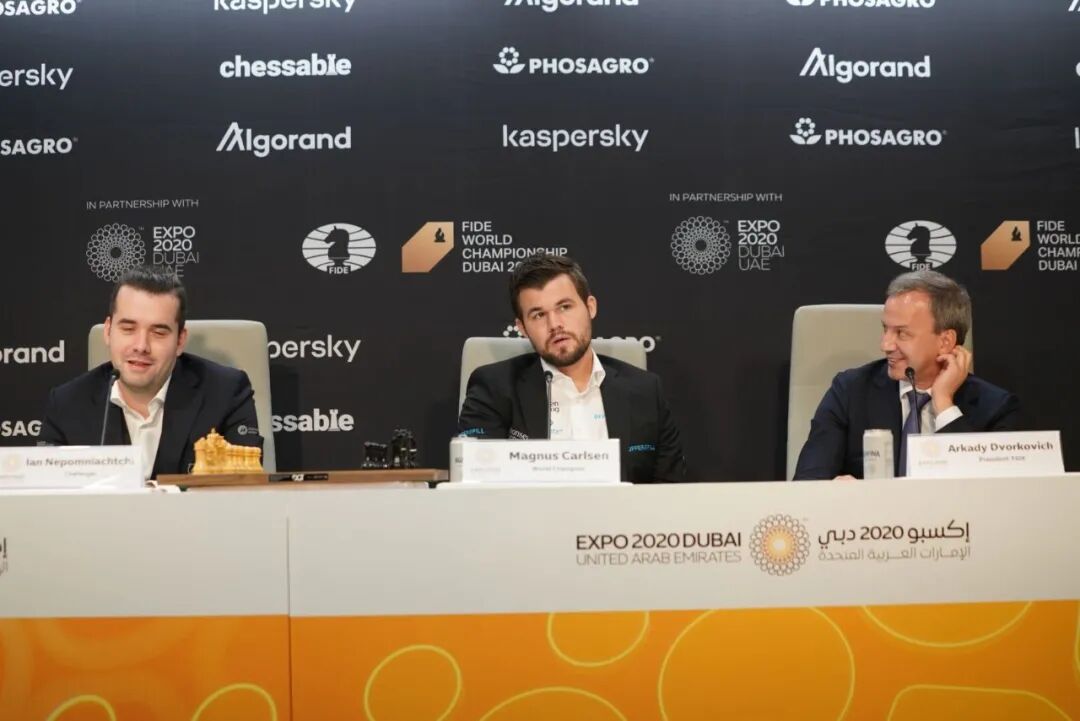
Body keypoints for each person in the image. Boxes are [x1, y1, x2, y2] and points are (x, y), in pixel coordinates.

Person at [458, 253, 686, 483]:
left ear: (590, 307)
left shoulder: (646, 391)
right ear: (523, 328)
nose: (555, 324)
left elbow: (670, 490)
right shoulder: (494, 388)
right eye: (538, 315)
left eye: (565, 307)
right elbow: (477, 484)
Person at [794, 270, 1020, 480]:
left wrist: (944, 404)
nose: (885, 345)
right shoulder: (850, 392)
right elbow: (807, 483)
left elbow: (989, 493)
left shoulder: (995, 408)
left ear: (945, 342)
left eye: (902, 333)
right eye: (885, 329)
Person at [39, 266, 262, 479]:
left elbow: (243, 489)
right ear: (108, 331)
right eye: (128, 329)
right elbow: (46, 495)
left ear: (180, 341)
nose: (141, 346)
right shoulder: (67, 405)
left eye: (158, 332)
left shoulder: (226, 394)